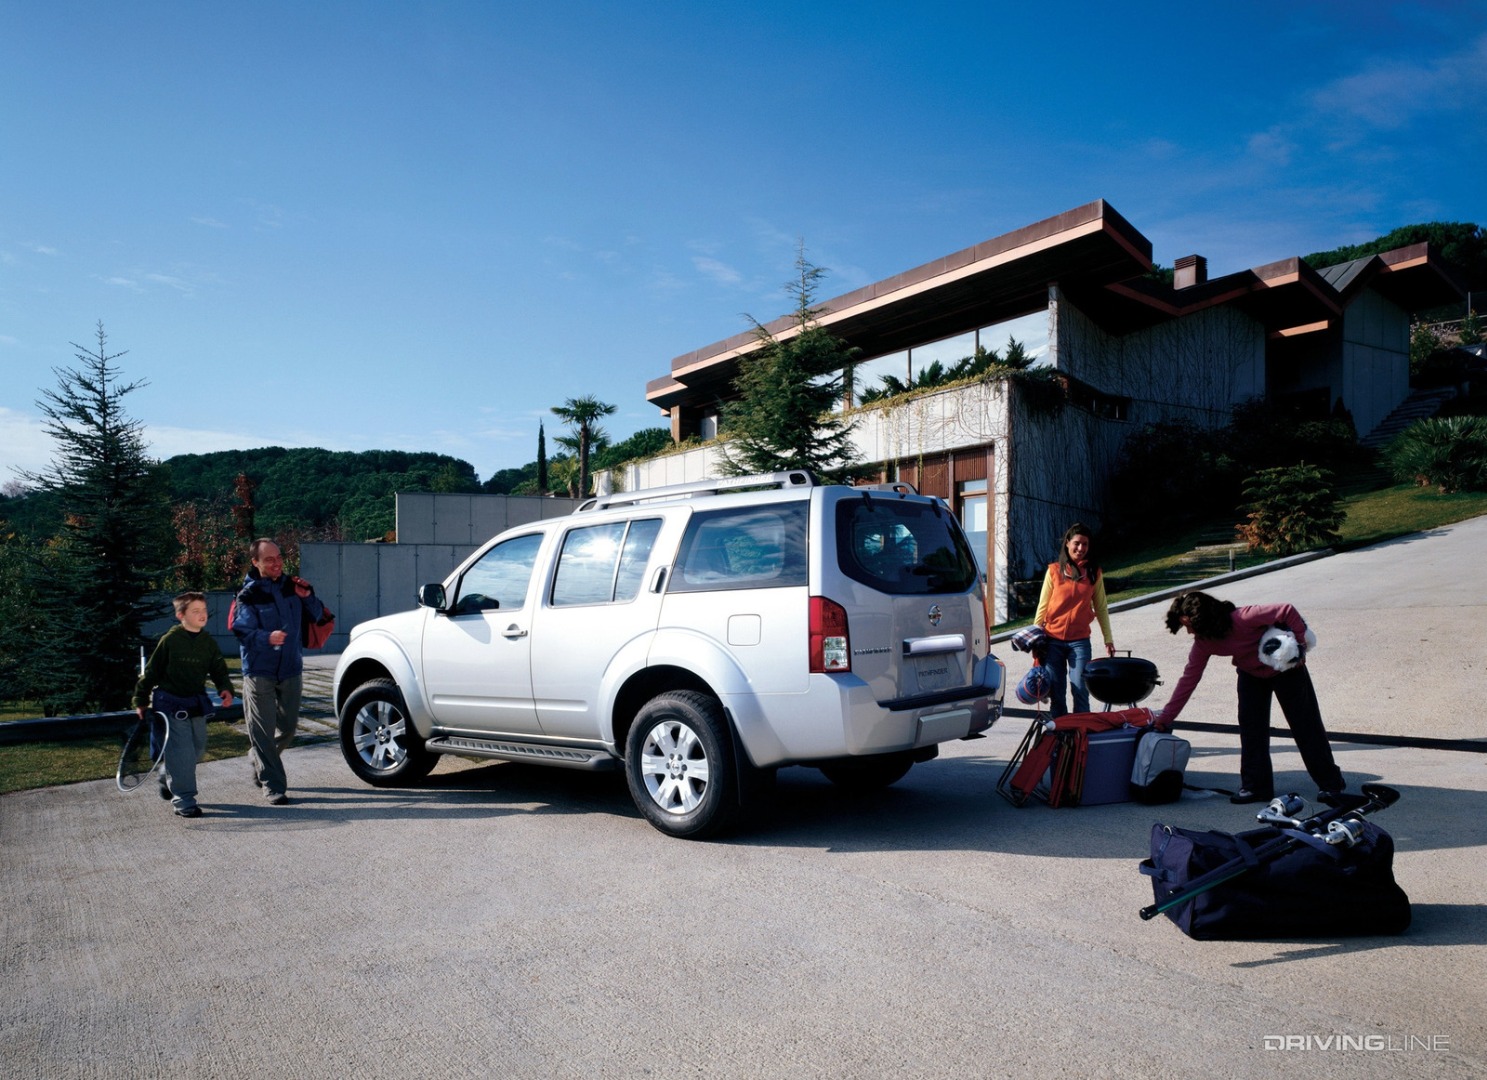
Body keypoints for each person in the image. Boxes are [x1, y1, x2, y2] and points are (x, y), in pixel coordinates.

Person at [1158, 590, 1354, 806]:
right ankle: (1256, 787)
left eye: (1189, 625)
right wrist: (1166, 717)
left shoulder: (1244, 617)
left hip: (1285, 670)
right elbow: (1189, 679)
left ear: (1203, 619)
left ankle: (1331, 784)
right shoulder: (1203, 642)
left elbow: (1286, 610)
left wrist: (1300, 647)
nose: (1188, 631)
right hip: (1250, 675)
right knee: (1251, 730)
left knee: (1306, 726)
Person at [232, 539, 325, 805]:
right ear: (256, 563)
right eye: (269, 559)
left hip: (291, 668)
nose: (277, 563)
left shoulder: (293, 587)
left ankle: (258, 757)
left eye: (279, 557)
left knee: (287, 729)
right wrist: (266, 637)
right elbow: (242, 631)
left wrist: (308, 598)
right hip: (259, 671)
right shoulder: (247, 595)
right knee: (262, 732)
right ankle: (273, 786)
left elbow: (318, 615)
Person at [132, 592, 236, 818]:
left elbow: (219, 669)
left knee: (197, 750)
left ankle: (165, 773)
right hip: (170, 704)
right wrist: (140, 700)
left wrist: (225, 688)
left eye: (204, 610)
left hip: (196, 702)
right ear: (181, 615)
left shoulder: (207, 642)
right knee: (182, 752)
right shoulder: (169, 641)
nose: (202, 615)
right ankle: (184, 801)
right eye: (195, 611)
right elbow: (150, 673)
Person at [1033, 523, 1115, 718]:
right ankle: (1060, 737)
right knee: (1057, 692)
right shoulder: (1054, 571)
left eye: (1085, 544)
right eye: (1077, 543)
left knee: (1080, 688)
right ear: (1068, 543)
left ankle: (1081, 737)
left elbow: (1101, 608)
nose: (1080, 548)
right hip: (1053, 640)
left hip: (1079, 642)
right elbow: (1042, 606)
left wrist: (1108, 639)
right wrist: (1036, 635)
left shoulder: (1094, 573)